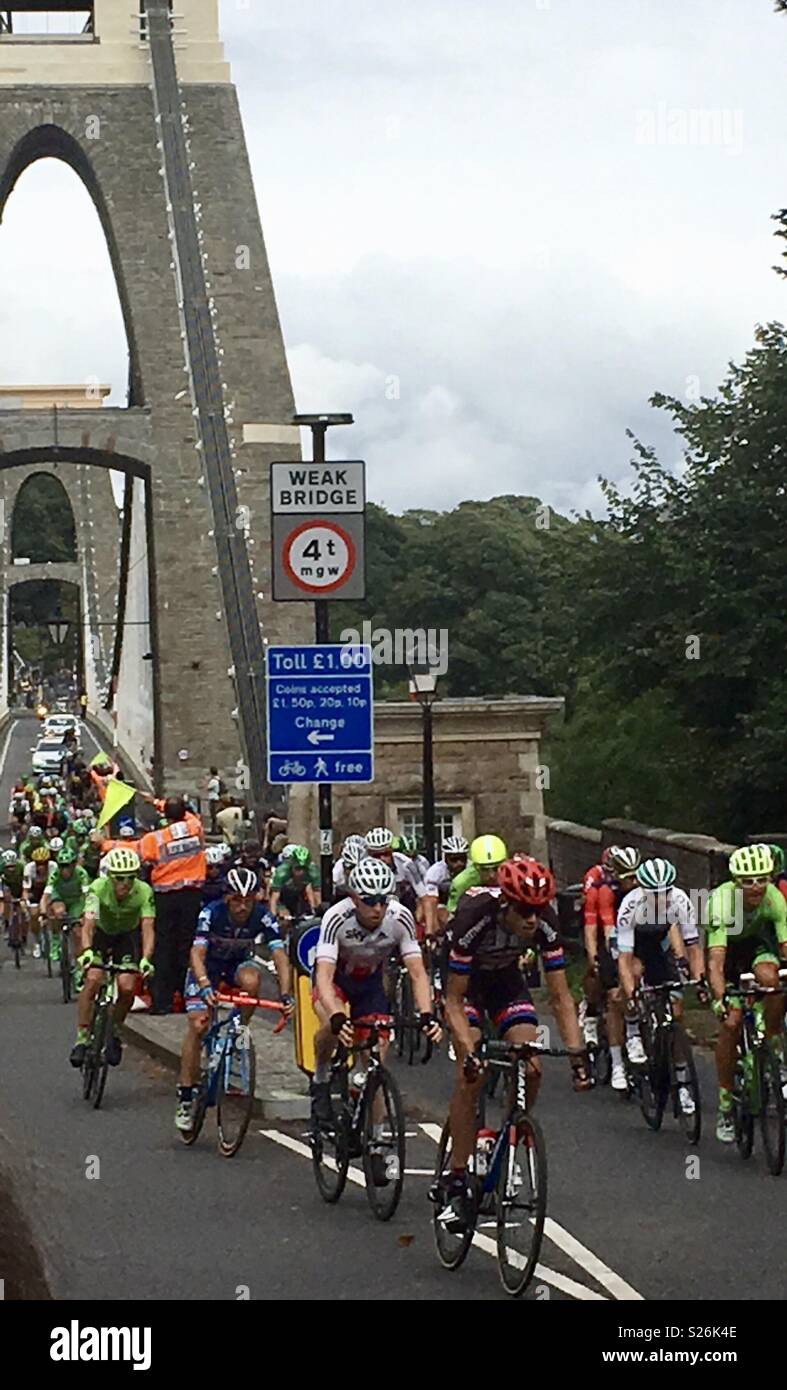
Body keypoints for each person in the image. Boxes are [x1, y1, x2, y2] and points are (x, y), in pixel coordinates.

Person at [439, 856, 572, 1228]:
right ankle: (458, 1176)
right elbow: (452, 1001)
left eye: (537, 910)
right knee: (472, 1074)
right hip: (463, 988)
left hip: (504, 983)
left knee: (531, 1065)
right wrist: (467, 1052)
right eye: (523, 910)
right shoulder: (474, 918)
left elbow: (561, 997)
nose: (532, 919)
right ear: (505, 904)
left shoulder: (545, 922)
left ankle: (506, 1136)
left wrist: (578, 1056)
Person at [311, 858, 440, 1179]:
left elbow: (418, 972)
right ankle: (322, 1078)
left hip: (369, 985)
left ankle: (379, 1140)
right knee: (331, 1024)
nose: (377, 908)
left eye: (384, 900)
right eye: (369, 901)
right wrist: (339, 1017)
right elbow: (324, 978)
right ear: (354, 898)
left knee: (377, 1063)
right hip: (337, 982)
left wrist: (426, 1014)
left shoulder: (400, 918)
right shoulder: (335, 917)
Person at [175, 867, 294, 1131]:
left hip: (237, 965)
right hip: (207, 968)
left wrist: (286, 994)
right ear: (227, 898)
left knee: (252, 981)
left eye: (248, 901)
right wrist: (204, 985)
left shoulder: (262, 917)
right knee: (198, 1025)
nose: (242, 907)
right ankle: (185, 1095)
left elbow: (280, 958)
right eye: (237, 901)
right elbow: (196, 954)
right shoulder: (211, 913)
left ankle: (239, 1031)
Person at [704, 843, 787, 1143]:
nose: (755, 887)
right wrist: (720, 997)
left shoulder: (775, 899)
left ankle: (771, 1041)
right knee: (731, 1022)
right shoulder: (721, 902)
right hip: (725, 954)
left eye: (762, 880)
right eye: (748, 881)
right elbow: (715, 962)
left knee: (773, 980)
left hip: (755, 947)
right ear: (736, 882)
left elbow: (785, 947)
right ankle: (726, 1102)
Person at [613, 857, 704, 1108]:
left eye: (665, 892)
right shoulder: (631, 904)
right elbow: (624, 958)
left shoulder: (681, 900)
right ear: (643, 890)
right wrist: (631, 993)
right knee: (634, 973)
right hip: (634, 945)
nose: (661, 898)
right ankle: (632, 1030)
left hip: (658, 944)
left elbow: (693, 946)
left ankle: (684, 1083)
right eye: (655, 893)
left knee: (676, 1013)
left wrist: (699, 981)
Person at [69, 847, 155, 1069]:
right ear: (110, 877)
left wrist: (146, 959)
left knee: (127, 987)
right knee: (93, 980)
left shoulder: (144, 891)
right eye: (119, 878)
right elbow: (88, 924)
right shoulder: (97, 889)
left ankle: (115, 1031)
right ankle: (82, 1037)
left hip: (126, 937)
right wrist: (87, 951)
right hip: (101, 935)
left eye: (130, 877)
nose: (125, 883)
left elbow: (148, 929)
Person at [581, 844, 641, 1089]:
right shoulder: (601, 888)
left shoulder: (644, 886)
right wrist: (596, 956)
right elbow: (601, 926)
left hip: (636, 935)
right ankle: (592, 1015)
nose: (634, 881)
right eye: (627, 875)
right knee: (609, 985)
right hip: (609, 931)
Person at [139, 796, 206, 1015]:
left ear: (166, 816)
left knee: (163, 947)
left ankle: (162, 1002)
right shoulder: (195, 827)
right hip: (191, 896)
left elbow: (135, 849)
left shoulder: (155, 838)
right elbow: (186, 815)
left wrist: (104, 843)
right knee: (188, 946)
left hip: (165, 898)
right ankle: (188, 997)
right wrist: (160, 803)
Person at [40, 846, 91, 967]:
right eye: (62, 865)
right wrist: (42, 913)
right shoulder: (55, 874)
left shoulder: (81, 873)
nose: (64, 869)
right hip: (60, 898)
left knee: (78, 932)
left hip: (76, 901)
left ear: (74, 864)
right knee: (58, 912)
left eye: (68, 865)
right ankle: (56, 941)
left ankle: (79, 965)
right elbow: (45, 896)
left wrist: (86, 914)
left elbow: (88, 896)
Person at [446, 834, 508, 914]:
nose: (491, 875)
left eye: (496, 868)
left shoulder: (513, 877)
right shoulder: (460, 883)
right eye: (484, 869)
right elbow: (452, 914)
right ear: (475, 867)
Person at [421, 835, 469, 937]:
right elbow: (431, 901)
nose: (459, 863)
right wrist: (432, 931)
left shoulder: (472, 869)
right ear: (446, 859)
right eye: (454, 859)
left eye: (462, 859)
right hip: (443, 903)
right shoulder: (435, 872)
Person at [268, 844, 320, 921]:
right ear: (291, 865)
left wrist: (318, 913)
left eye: (304, 869)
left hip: (299, 897)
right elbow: (274, 899)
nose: (301, 873)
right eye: (298, 868)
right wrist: (275, 916)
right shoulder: (281, 873)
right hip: (283, 897)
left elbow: (317, 897)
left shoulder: (313, 873)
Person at [205, 766, 222, 835]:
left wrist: (207, 780)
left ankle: (214, 830)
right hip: (216, 798)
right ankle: (215, 829)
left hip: (213, 799)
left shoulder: (213, 781)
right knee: (215, 815)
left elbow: (207, 788)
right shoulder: (217, 780)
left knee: (213, 815)